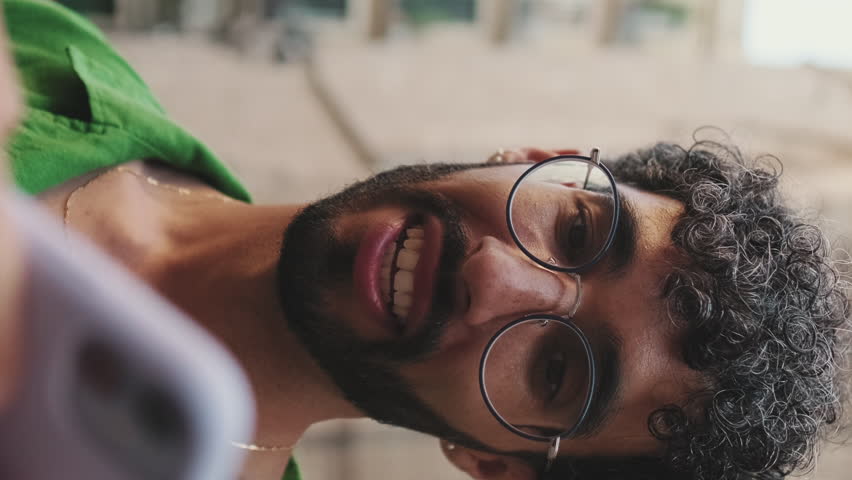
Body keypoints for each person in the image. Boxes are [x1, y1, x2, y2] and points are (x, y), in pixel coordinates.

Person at [2, 1, 848, 479]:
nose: (495, 277)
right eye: (578, 229)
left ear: (496, 464)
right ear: (540, 160)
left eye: (557, 368)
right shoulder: (57, 58)